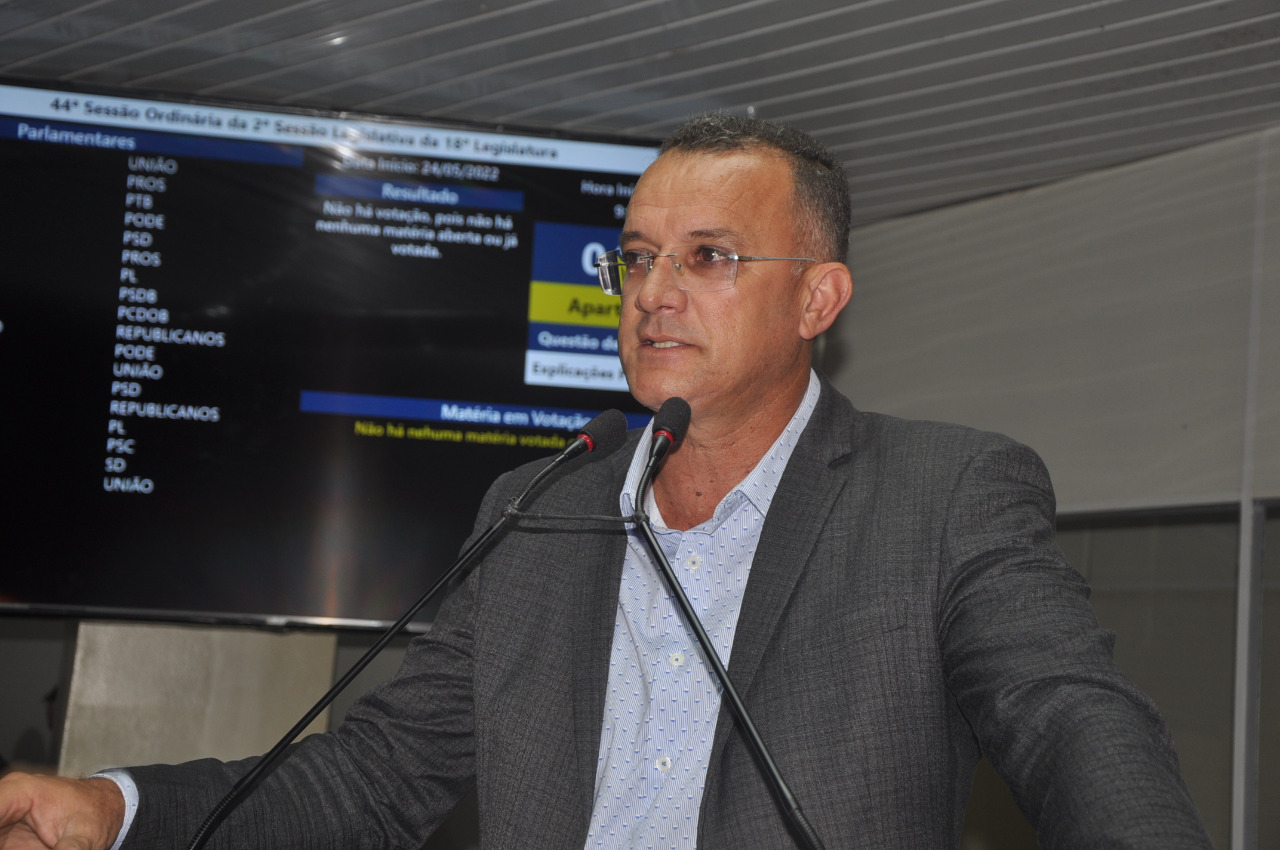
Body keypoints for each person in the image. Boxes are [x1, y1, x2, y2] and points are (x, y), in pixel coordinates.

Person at [0, 114, 1211, 849]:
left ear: (816, 298)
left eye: (707, 257)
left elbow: (1073, 725)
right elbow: (374, 780)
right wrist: (116, 811)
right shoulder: (537, 510)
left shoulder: (941, 495)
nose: (652, 293)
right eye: (633, 258)